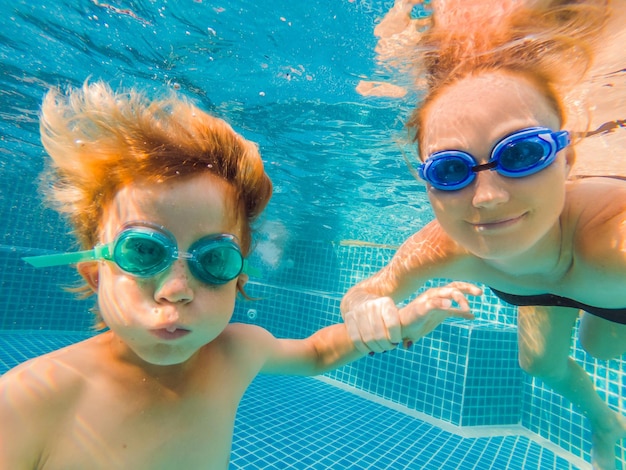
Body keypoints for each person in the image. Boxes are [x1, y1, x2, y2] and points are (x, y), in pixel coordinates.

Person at [0, 81, 481, 469]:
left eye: (213, 260)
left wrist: (401, 321)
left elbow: (317, 353)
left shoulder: (232, 352)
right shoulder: (31, 399)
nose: (176, 291)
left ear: (239, 280)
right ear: (93, 273)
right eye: (144, 251)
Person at [342, 1, 626, 469]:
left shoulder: (613, 240)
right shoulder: (442, 246)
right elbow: (368, 290)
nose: (488, 197)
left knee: (602, 348)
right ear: (429, 185)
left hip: (605, 286)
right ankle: (606, 421)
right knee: (539, 365)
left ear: (568, 158)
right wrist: (364, 310)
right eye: (452, 169)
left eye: (521, 154)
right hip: (540, 288)